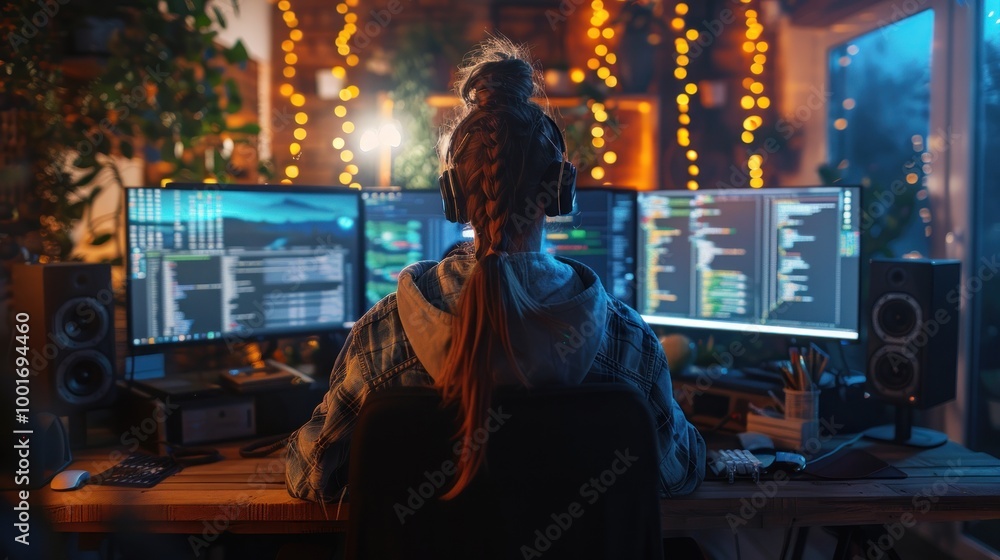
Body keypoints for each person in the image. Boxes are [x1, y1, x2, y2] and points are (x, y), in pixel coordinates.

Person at [284, 37, 705, 503]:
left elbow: (311, 476)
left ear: (452, 196)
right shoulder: (626, 340)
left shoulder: (385, 332)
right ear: (560, 191)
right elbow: (680, 474)